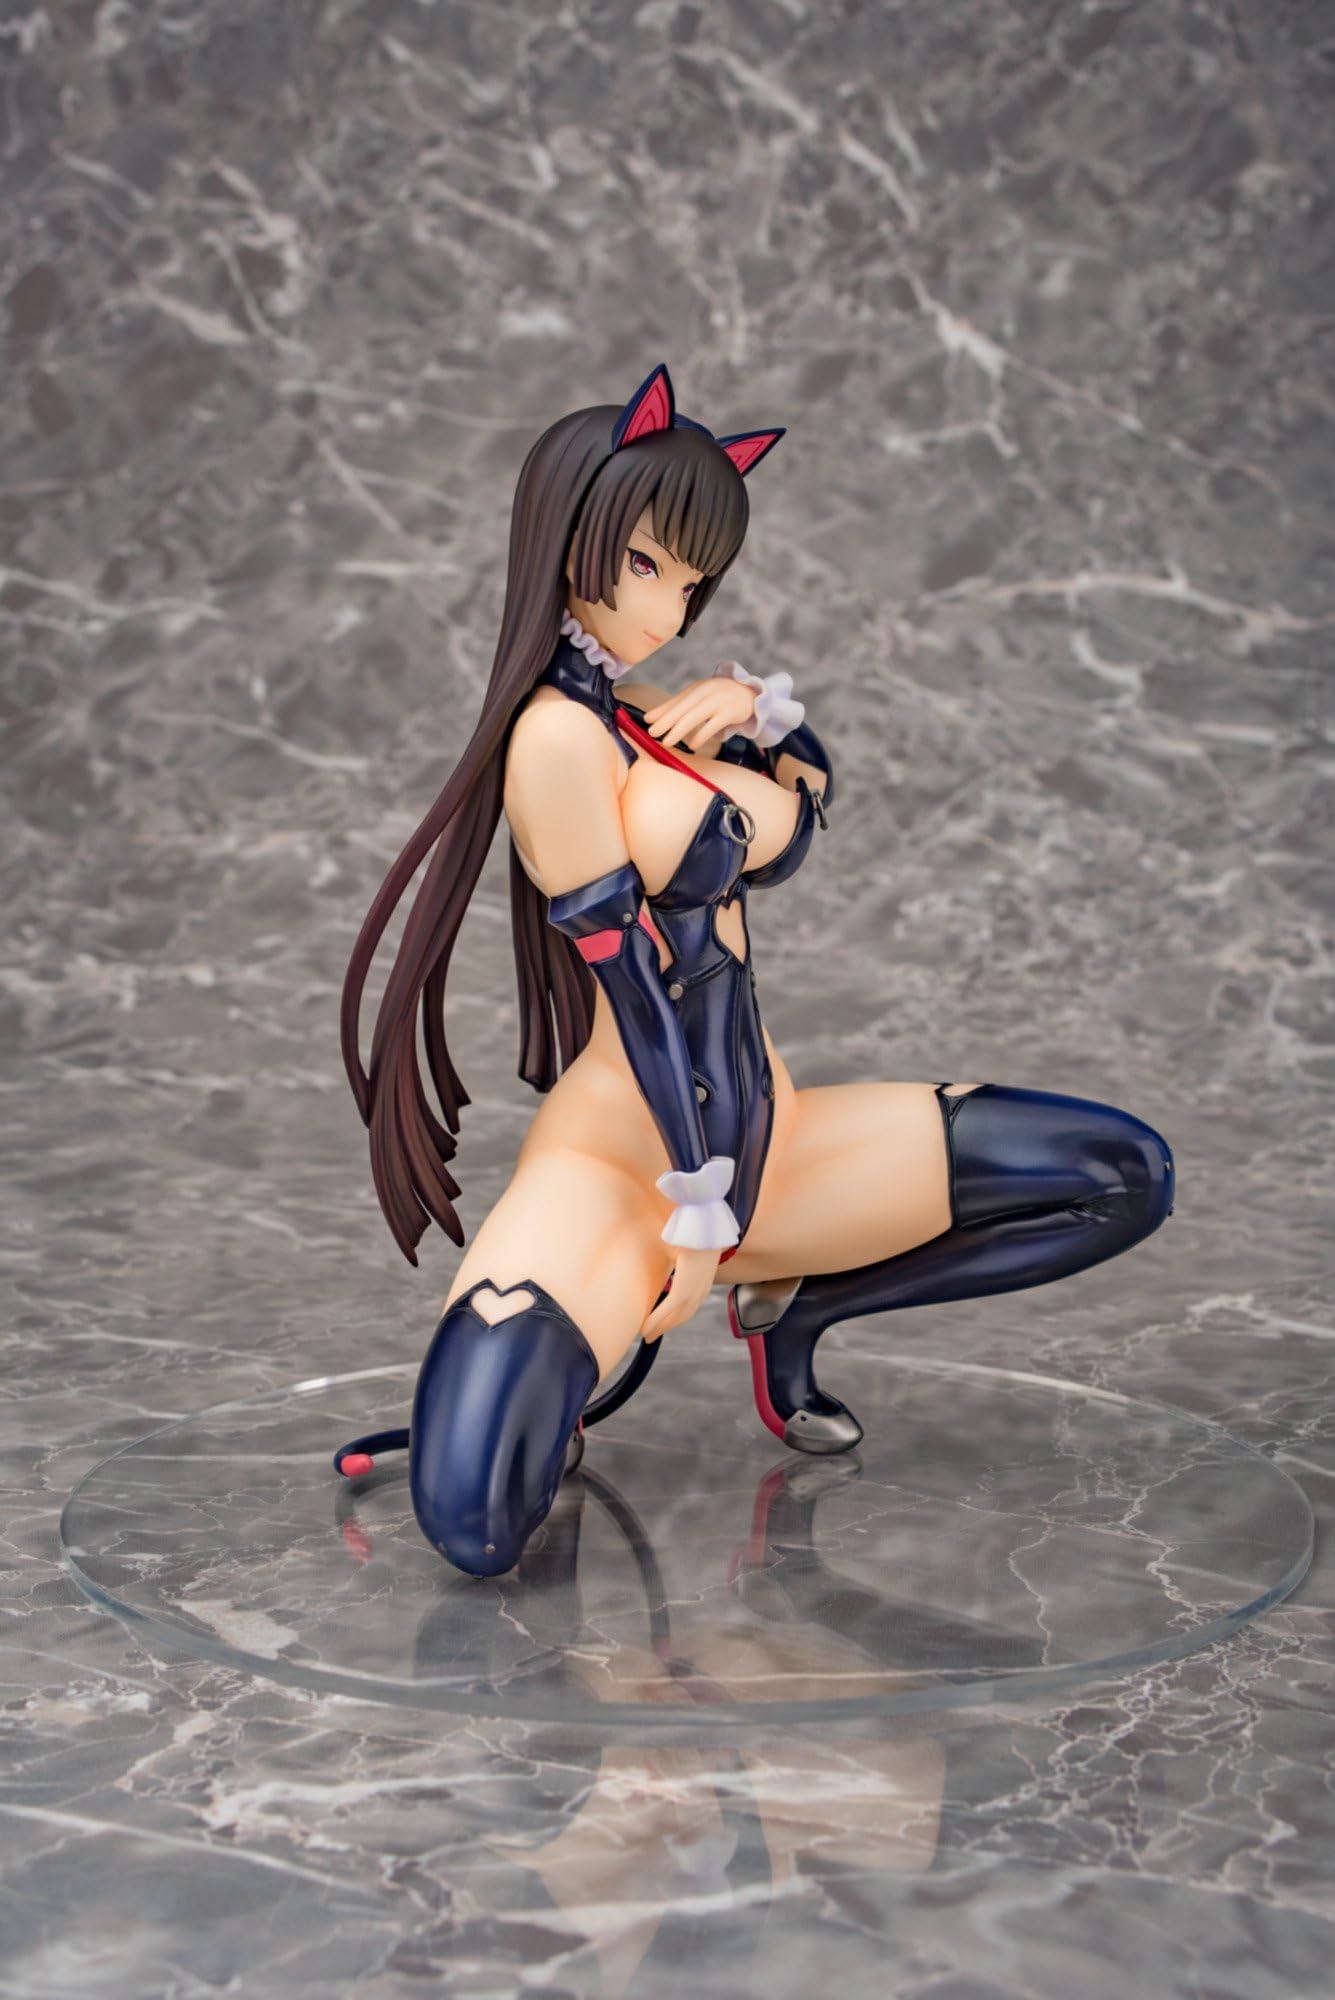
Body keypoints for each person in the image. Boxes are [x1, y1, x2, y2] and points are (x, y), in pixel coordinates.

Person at [338, 362, 1175, 1579]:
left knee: (1123, 1175)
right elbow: (638, 988)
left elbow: (809, 793)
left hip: (772, 1146)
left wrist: (758, 710)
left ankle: (802, 1306)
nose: (669, 608)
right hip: (629, 1170)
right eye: (646, 565)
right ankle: (567, 1372)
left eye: (692, 582)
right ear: (569, 531)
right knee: (474, 1518)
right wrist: (693, 1205)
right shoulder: (559, 740)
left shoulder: (647, 709)